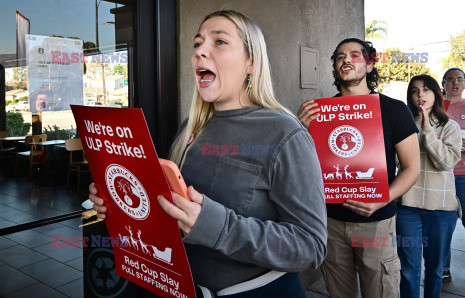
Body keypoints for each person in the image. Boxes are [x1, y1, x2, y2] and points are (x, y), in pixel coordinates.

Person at [89, 10, 328, 297]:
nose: (200, 51)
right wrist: (120, 199)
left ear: (251, 62)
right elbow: (168, 207)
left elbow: (310, 247)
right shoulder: (190, 127)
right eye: (198, 43)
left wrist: (216, 226)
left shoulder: (285, 133)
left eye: (219, 42)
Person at [297, 37, 420, 298]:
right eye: (340, 57)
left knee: (382, 291)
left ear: (369, 63)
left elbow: (412, 168)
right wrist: (301, 130)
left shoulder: (394, 110)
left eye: (355, 55)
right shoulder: (320, 114)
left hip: (375, 221)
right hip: (330, 222)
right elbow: (301, 166)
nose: (346, 60)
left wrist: (381, 199)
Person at [396, 75, 461, 298]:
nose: (420, 95)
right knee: (408, 269)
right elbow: (395, 161)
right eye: (415, 91)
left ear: (437, 93)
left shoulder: (450, 126)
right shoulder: (402, 124)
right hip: (408, 208)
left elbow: (445, 162)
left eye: (426, 90)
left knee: (434, 271)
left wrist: (427, 130)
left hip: (441, 211)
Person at [442, 68, 465, 281]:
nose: (455, 83)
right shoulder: (435, 109)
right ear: (443, 84)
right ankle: (442, 269)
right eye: (450, 79)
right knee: (442, 226)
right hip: (441, 175)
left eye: (459, 79)